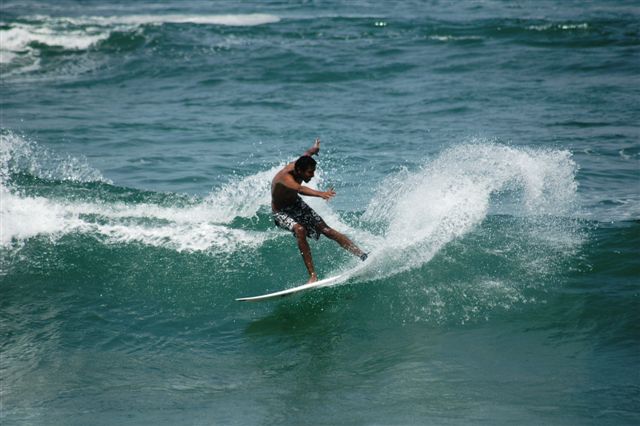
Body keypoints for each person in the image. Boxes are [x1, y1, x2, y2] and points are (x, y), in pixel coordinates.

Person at [272, 138, 368, 283]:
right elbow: (300, 189)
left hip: (296, 204)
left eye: (313, 172)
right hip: (281, 212)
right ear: (299, 170)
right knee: (300, 230)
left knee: (326, 230)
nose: (312, 175)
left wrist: (314, 148)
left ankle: (362, 255)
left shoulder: (301, 164)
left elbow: (307, 154)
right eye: (310, 173)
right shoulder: (284, 177)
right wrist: (320, 194)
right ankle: (312, 276)